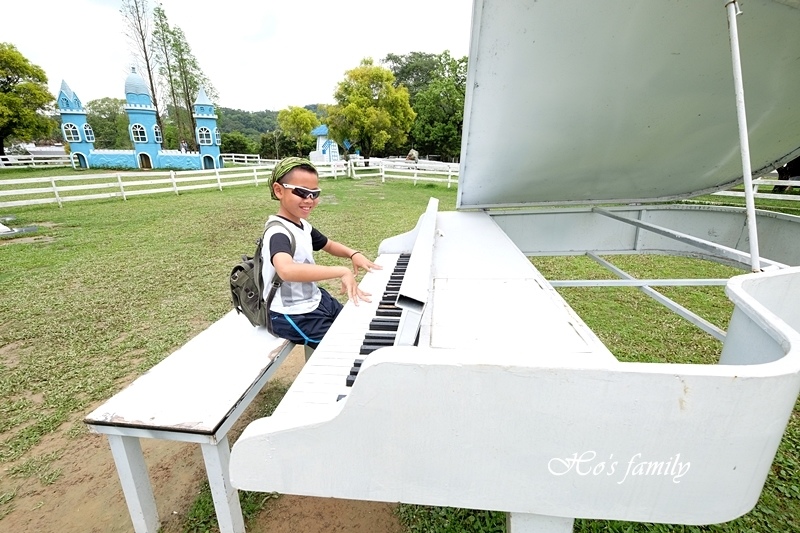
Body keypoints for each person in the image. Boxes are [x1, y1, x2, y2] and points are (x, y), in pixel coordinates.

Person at [263, 157, 381, 352]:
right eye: (301, 192)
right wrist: (341, 271)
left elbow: (329, 244)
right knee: (345, 348)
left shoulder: (302, 225)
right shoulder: (277, 232)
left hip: (316, 300)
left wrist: (353, 254)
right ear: (279, 190)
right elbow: (286, 270)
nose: (309, 200)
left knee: (354, 325)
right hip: (291, 314)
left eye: (314, 193)